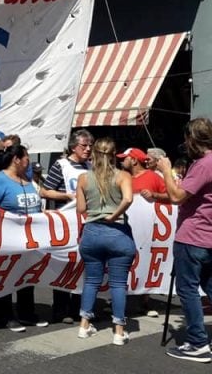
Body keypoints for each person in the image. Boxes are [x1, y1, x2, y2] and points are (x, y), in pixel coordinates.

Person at [157, 118, 212, 363]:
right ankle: (198, 339)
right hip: (207, 235)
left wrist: (166, 170)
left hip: (194, 235)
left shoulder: (203, 163)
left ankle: (198, 343)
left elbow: (178, 196)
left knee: (187, 289)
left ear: (194, 139)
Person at [0, 144, 48, 332]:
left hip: (31, 239)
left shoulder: (26, 179)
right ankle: (5, 316)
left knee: (28, 276)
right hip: (7, 239)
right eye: (26, 157)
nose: (29, 161)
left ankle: (27, 313)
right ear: (16, 159)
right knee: (6, 276)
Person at [75, 137, 134, 345]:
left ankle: (84, 325)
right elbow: (128, 198)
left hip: (92, 233)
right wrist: (114, 214)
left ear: (94, 155)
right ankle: (119, 331)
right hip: (118, 233)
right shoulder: (123, 176)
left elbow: (81, 209)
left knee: (91, 280)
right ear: (114, 154)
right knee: (118, 284)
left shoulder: (83, 178)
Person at [40, 129, 93, 324]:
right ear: (73, 147)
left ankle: (78, 306)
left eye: (90, 146)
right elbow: (45, 191)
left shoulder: (90, 167)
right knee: (64, 263)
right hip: (65, 221)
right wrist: (68, 196)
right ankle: (60, 309)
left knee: (83, 264)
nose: (88, 149)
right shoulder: (60, 165)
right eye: (84, 146)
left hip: (86, 221)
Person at [118, 146, 168, 317]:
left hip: (148, 230)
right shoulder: (122, 178)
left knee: (146, 260)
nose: (121, 160)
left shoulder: (153, 177)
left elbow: (171, 196)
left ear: (133, 160)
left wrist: (154, 195)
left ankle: (144, 301)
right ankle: (120, 300)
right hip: (125, 228)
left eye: (124, 157)